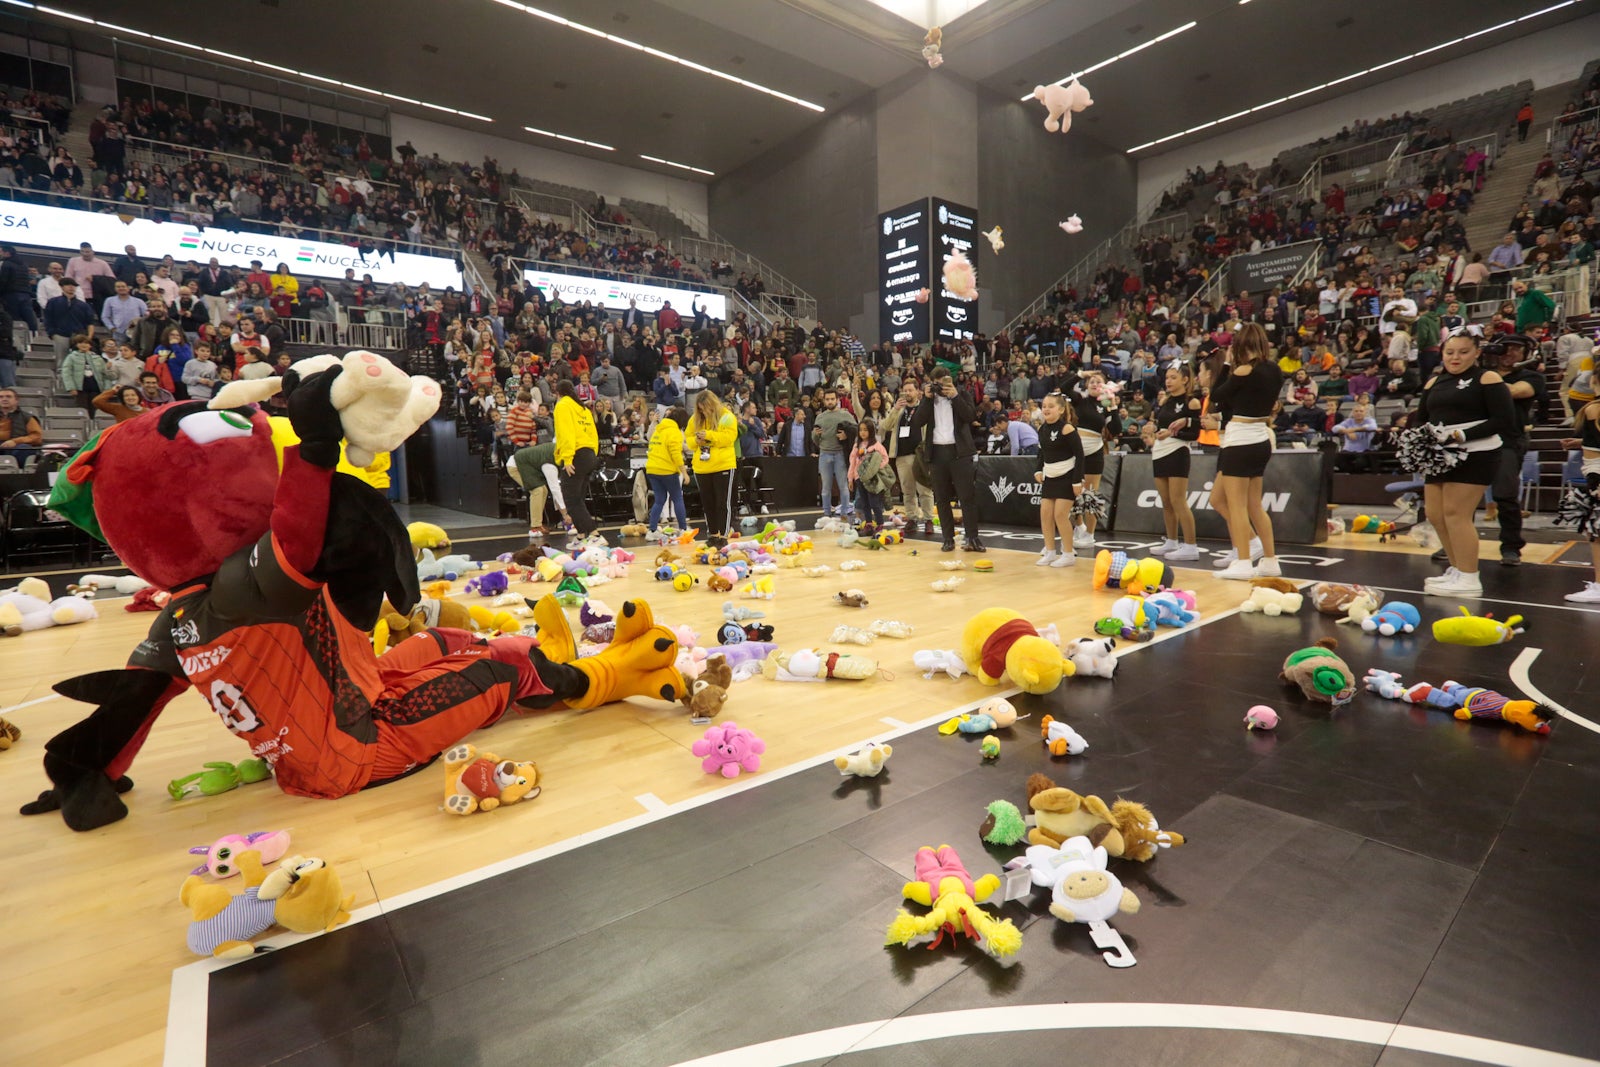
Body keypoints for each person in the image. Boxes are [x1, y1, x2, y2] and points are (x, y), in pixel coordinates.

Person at [1413, 333, 1516, 598]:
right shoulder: (1434, 381)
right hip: (1439, 454)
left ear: (1476, 353)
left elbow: (1503, 420)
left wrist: (1462, 436)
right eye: (1450, 352)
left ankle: (1470, 578)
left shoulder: (1487, 379)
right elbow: (1421, 419)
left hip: (1475, 452)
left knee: (1456, 514)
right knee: (1436, 514)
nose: (1455, 358)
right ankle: (1457, 569)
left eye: (1462, 352)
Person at [1204, 322, 1283, 579]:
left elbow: (1216, 394)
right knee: (1254, 506)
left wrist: (1227, 365)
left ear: (1240, 345)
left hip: (1239, 441)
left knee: (1237, 507)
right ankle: (1270, 560)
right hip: (1261, 440)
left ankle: (1243, 563)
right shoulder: (1274, 370)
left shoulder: (1244, 371)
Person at [1485, 335, 1545, 566]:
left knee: (1505, 495)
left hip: (1508, 440)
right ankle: (1452, 543)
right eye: (1504, 348)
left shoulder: (1531, 376)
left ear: (1525, 353)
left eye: (1516, 350)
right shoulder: (1481, 374)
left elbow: (1514, 391)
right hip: (1476, 439)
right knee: (1463, 495)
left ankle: (1511, 547)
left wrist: (1481, 378)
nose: (1509, 353)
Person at [911, 366, 984, 553]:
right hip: (937, 454)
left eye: (946, 383)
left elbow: (970, 416)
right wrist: (926, 399)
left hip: (960, 453)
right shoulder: (929, 400)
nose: (943, 388)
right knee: (942, 499)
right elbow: (917, 422)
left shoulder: (961, 394)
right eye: (939, 384)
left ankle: (972, 537)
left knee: (967, 497)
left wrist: (955, 397)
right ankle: (947, 538)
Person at [1150, 363, 1202, 561]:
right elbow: (1160, 426)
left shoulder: (1192, 402)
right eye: (1167, 377)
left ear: (1185, 379)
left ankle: (1191, 545)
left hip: (1178, 451)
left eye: (1173, 377)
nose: (1168, 381)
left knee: (1178, 500)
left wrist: (1172, 433)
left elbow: (1195, 433)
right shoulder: (1165, 401)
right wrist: (1154, 431)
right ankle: (1171, 541)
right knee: (1166, 502)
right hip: (1160, 451)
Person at [1032, 392, 1085, 568]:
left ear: (1061, 409)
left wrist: (1077, 481)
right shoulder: (1042, 429)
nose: (1046, 409)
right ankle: (1050, 552)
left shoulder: (1067, 428)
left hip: (1067, 476)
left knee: (1060, 515)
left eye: (1051, 406)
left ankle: (1068, 554)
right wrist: (1038, 469)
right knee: (1045, 515)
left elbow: (1080, 455)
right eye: (1044, 406)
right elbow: (1042, 452)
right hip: (1050, 476)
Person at [1559, 394, 1600, 603]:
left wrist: (1595, 481)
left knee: (1596, 530)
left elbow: (1594, 459)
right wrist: (1583, 442)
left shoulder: (1594, 409)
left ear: (1594, 382)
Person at [1067, 371, 1112, 547]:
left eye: (1098, 382)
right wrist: (1080, 374)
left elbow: (1115, 428)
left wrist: (1113, 407)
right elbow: (1063, 388)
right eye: (1091, 381)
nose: (1094, 384)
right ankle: (1079, 526)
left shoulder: (1106, 403)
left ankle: (1090, 535)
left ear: (1104, 386)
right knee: (1072, 492)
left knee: (1091, 495)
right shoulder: (1080, 400)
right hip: (1076, 451)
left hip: (1094, 451)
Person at [552, 380, 599, 543]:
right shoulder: (583, 408)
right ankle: (581, 535)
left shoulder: (563, 405)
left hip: (575, 455)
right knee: (578, 498)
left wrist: (567, 458)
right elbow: (594, 434)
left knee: (570, 500)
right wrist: (594, 454)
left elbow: (566, 434)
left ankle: (594, 534)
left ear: (557, 393)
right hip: (590, 454)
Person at [883, 380, 934, 533]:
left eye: (910, 390)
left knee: (924, 489)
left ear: (918, 392)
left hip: (921, 455)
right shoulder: (899, 409)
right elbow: (885, 426)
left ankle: (928, 519)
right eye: (904, 390)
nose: (907, 393)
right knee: (907, 490)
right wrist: (894, 409)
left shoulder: (924, 408)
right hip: (902, 455)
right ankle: (912, 518)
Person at [688, 390, 738, 540]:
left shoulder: (727, 416)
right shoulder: (695, 419)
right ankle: (713, 534)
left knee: (722, 503)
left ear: (713, 405)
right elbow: (689, 439)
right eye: (701, 409)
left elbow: (729, 438)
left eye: (706, 408)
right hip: (702, 467)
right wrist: (696, 441)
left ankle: (723, 535)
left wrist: (709, 436)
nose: (704, 412)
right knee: (708, 504)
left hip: (723, 465)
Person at [508, 440, 572, 538]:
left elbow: (554, 490)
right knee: (537, 490)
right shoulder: (550, 464)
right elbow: (555, 489)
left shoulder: (557, 449)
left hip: (526, 465)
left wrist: (563, 512)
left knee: (543, 490)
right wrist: (565, 514)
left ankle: (538, 523)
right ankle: (535, 527)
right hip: (515, 466)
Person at [812, 386, 856, 519]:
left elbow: (856, 430)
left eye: (832, 399)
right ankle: (826, 513)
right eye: (827, 399)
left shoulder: (846, 414)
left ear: (837, 400)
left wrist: (846, 435)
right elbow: (815, 441)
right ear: (824, 401)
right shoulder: (820, 417)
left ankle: (844, 512)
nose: (830, 401)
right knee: (825, 487)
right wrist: (815, 434)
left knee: (843, 485)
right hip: (824, 453)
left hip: (840, 454)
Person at [644, 406, 690, 534]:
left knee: (659, 500)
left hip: (652, 469)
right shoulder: (674, 432)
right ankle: (683, 530)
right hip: (667, 470)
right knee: (677, 498)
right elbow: (676, 454)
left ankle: (652, 531)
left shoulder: (658, 430)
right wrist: (684, 473)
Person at [848, 420, 892, 530]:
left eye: (865, 430)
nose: (862, 432)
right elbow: (852, 462)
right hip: (859, 478)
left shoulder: (877, 445)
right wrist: (850, 479)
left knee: (874, 502)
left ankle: (880, 523)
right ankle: (868, 523)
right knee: (864, 502)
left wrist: (876, 468)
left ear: (871, 431)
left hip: (873, 479)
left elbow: (885, 458)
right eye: (860, 430)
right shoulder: (856, 446)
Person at [60, 333, 111, 416]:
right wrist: (71, 387)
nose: (84, 345)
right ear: (77, 345)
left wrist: (107, 389)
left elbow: (105, 375)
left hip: (96, 389)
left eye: (86, 343)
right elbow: (67, 373)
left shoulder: (98, 358)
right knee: (82, 410)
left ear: (90, 345)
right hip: (80, 389)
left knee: (96, 410)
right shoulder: (71, 357)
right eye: (80, 343)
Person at [1330, 402, 1380, 473]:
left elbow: (1373, 427)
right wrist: (1347, 431)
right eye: (1356, 411)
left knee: (1360, 463)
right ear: (1353, 413)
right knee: (1337, 460)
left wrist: (1354, 430)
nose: (1358, 413)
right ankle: (1350, 475)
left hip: (1364, 450)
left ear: (1365, 413)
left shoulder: (1369, 420)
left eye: (1361, 411)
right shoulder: (1349, 421)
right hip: (1349, 450)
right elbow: (1334, 429)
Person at [0, 386, 42, 465]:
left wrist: (15, 441)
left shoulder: (27, 417)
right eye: (1, 397)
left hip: (16, 447)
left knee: (24, 449)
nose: (4, 399)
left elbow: (36, 437)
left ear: (16, 400)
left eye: (8, 397)